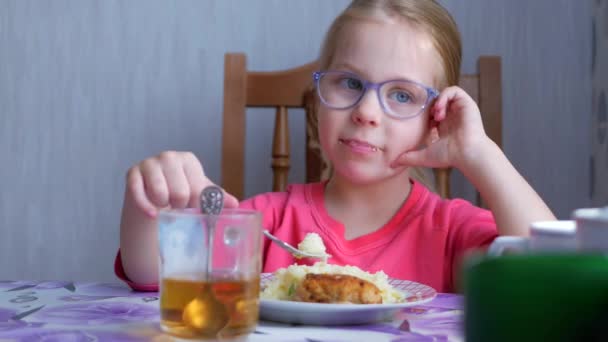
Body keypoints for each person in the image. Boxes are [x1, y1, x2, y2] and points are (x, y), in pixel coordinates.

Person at [116, 0, 555, 293]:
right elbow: (154, 273)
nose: (367, 112)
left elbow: (549, 274)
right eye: (349, 83)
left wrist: (481, 154)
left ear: (435, 121)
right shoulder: (267, 222)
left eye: (402, 95)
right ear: (317, 100)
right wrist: (151, 201)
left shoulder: (451, 231)